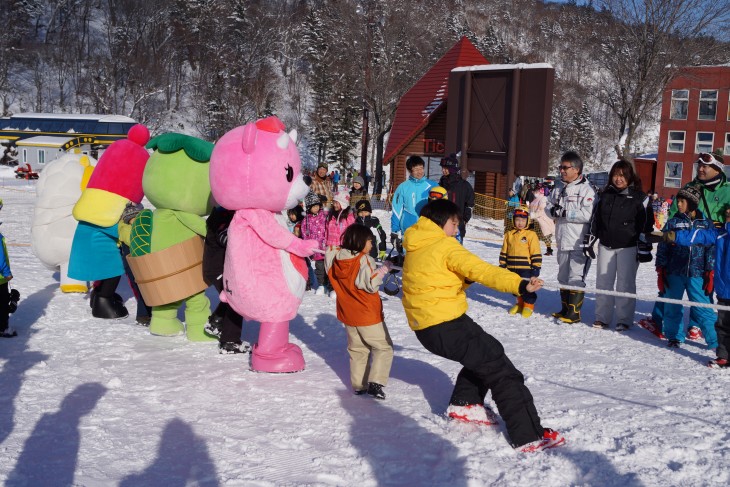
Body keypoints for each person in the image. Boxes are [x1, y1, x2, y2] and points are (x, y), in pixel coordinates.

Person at [401, 199, 564, 452]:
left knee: (487, 352)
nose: (456, 229)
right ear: (441, 222)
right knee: (501, 370)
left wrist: (462, 280)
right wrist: (520, 285)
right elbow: (483, 271)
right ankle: (529, 436)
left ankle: (466, 404)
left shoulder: (417, 245)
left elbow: (437, 280)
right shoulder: (445, 246)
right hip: (445, 323)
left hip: (429, 326)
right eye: (454, 224)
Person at [642, 152, 730, 335]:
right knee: (669, 285)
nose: (701, 168)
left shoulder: (728, 190)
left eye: (706, 166)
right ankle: (659, 322)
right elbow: (675, 212)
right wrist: (671, 232)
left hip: (711, 247)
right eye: (700, 165)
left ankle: (696, 325)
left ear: (717, 169)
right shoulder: (691, 187)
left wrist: (720, 225)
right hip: (682, 245)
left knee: (704, 287)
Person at [582, 160, 654, 331]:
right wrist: (590, 240)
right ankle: (602, 317)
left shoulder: (640, 198)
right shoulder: (604, 195)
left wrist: (644, 246)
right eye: (615, 175)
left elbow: (646, 224)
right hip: (606, 244)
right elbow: (595, 220)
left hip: (628, 247)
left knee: (625, 283)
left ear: (630, 177)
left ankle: (624, 319)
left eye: (622, 175)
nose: (618, 179)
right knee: (603, 282)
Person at [326, 224, 394, 399]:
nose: (372, 245)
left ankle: (359, 384)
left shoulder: (336, 258)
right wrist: (384, 269)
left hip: (348, 314)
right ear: (361, 241)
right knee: (383, 347)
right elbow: (370, 284)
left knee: (358, 349)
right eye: (370, 241)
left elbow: (329, 253)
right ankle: (376, 382)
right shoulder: (364, 260)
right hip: (367, 314)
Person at [655, 184, 718, 350]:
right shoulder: (673, 221)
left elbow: (711, 248)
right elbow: (663, 246)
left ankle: (715, 342)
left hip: (697, 273)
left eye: (682, 201)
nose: (679, 204)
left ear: (692, 203)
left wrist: (710, 270)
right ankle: (674, 336)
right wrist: (660, 269)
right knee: (672, 305)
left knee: (703, 308)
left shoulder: (706, 224)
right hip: (674, 271)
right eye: (678, 200)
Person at [672, 205, 730, 368]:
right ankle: (724, 357)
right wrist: (674, 236)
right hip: (724, 290)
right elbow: (696, 235)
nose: (727, 216)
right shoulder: (720, 234)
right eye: (726, 214)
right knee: (723, 326)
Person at [546, 151, 596, 324]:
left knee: (576, 277)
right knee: (563, 276)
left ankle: (574, 313)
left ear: (576, 169)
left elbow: (588, 214)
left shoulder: (586, 189)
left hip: (579, 242)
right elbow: (548, 205)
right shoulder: (559, 187)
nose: (561, 170)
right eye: (560, 167)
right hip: (562, 240)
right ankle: (565, 309)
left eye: (564, 167)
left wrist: (566, 213)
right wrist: (551, 211)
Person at [499, 208, 542, 318]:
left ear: (527, 221)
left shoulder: (531, 235)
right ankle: (520, 303)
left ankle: (528, 305)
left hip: (526, 268)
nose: (520, 223)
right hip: (512, 267)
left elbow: (535, 253)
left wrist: (535, 269)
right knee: (515, 287)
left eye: (523, 221)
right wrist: (502, 265)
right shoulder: (509, 234)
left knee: (528, 287)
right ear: (513, 220)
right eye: (518, 220)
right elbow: (504, 251)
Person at [390, 155, 437, 247]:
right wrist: (394, 231)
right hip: (408, 227)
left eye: (421, 168)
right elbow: (397, 210)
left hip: (428, 229)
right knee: (408, 257)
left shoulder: (433, 186)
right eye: (416, 169)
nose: (420, 172)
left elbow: (441, 209)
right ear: (410, 170)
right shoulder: (403, 187)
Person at [438, 153, 475, 243]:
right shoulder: (441, 184)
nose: (443, 170)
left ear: (452, 169)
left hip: (457, 225)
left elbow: (470, 204)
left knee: (455, 253)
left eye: (446, 168)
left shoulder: (464, 185)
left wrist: (465, 219)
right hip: (441, 224)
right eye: (442, 168)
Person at [326, 191, 356, 296]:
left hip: (342, 246)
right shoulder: (330, 215)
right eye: (334, 202)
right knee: (330, 266)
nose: (334, 205)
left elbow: (351, 231)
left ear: (343, 204)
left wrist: (349, 244)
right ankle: (332, 286)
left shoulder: (349, 216)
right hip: (331, 245)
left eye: (337, 202)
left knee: (341, 268)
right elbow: (327, 230)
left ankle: (341, 287)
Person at [301, 191, 328, 295]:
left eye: (317, 205)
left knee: (329, 267)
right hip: (317, 250)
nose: (316, 208)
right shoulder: (306, 220)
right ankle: (321, 285)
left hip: (327, 247)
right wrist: (309, 246)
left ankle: (330, 286)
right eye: (313, 206)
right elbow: (305, 234)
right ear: (308, 207)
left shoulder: (324, 215)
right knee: (320, 268)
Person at [0, 201, 17, 338]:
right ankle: (3, 328)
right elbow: (0, 258)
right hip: (1, 278)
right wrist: (6, 273)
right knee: (2, 304)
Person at [528, 187, 555, 256]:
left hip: (543, 220)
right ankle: (532, 249)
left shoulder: (543, 199)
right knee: (533, 236)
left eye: (536, 191)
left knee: (546, 236)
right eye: (534, 191)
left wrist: (534, 215)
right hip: (535, 220)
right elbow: (531, 209)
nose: (534, 193)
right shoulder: (535, 200)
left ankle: (549, 249)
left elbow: (542, 211)